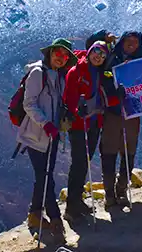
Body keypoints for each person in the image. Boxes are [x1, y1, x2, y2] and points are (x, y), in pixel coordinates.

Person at [17, 38, 77, 236]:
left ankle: (35, 214)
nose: (61, 57)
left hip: (51, 135)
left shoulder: (59, 76)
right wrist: (46, 124)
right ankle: (55, 217)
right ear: (50, 53)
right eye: (58, 53)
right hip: (35, 135)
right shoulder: (37, 73)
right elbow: (29, 104)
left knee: (44, 176)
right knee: (45, 176)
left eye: (65, 55)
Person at [62, 39, 110, 222]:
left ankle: (77, 200)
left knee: (85, 161)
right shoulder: (76, 72)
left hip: (94, 122)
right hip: (78, 124)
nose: (98, 56)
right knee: (79, 162)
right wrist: (76, 111)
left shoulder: (101, 73)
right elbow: (69, 97)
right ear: (90, 52)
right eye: (96, 51)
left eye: (103, 54)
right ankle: (71, 205)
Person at [100, 31, 142, 208]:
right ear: (122, 42)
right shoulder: (110, 57)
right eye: (128, 40)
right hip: (112, 112)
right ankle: (109, 193)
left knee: (129, 151)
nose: (132, 44)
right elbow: (103, 80)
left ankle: (121, 189)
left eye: (135, 41)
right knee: (109, 152)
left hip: (132, 113)